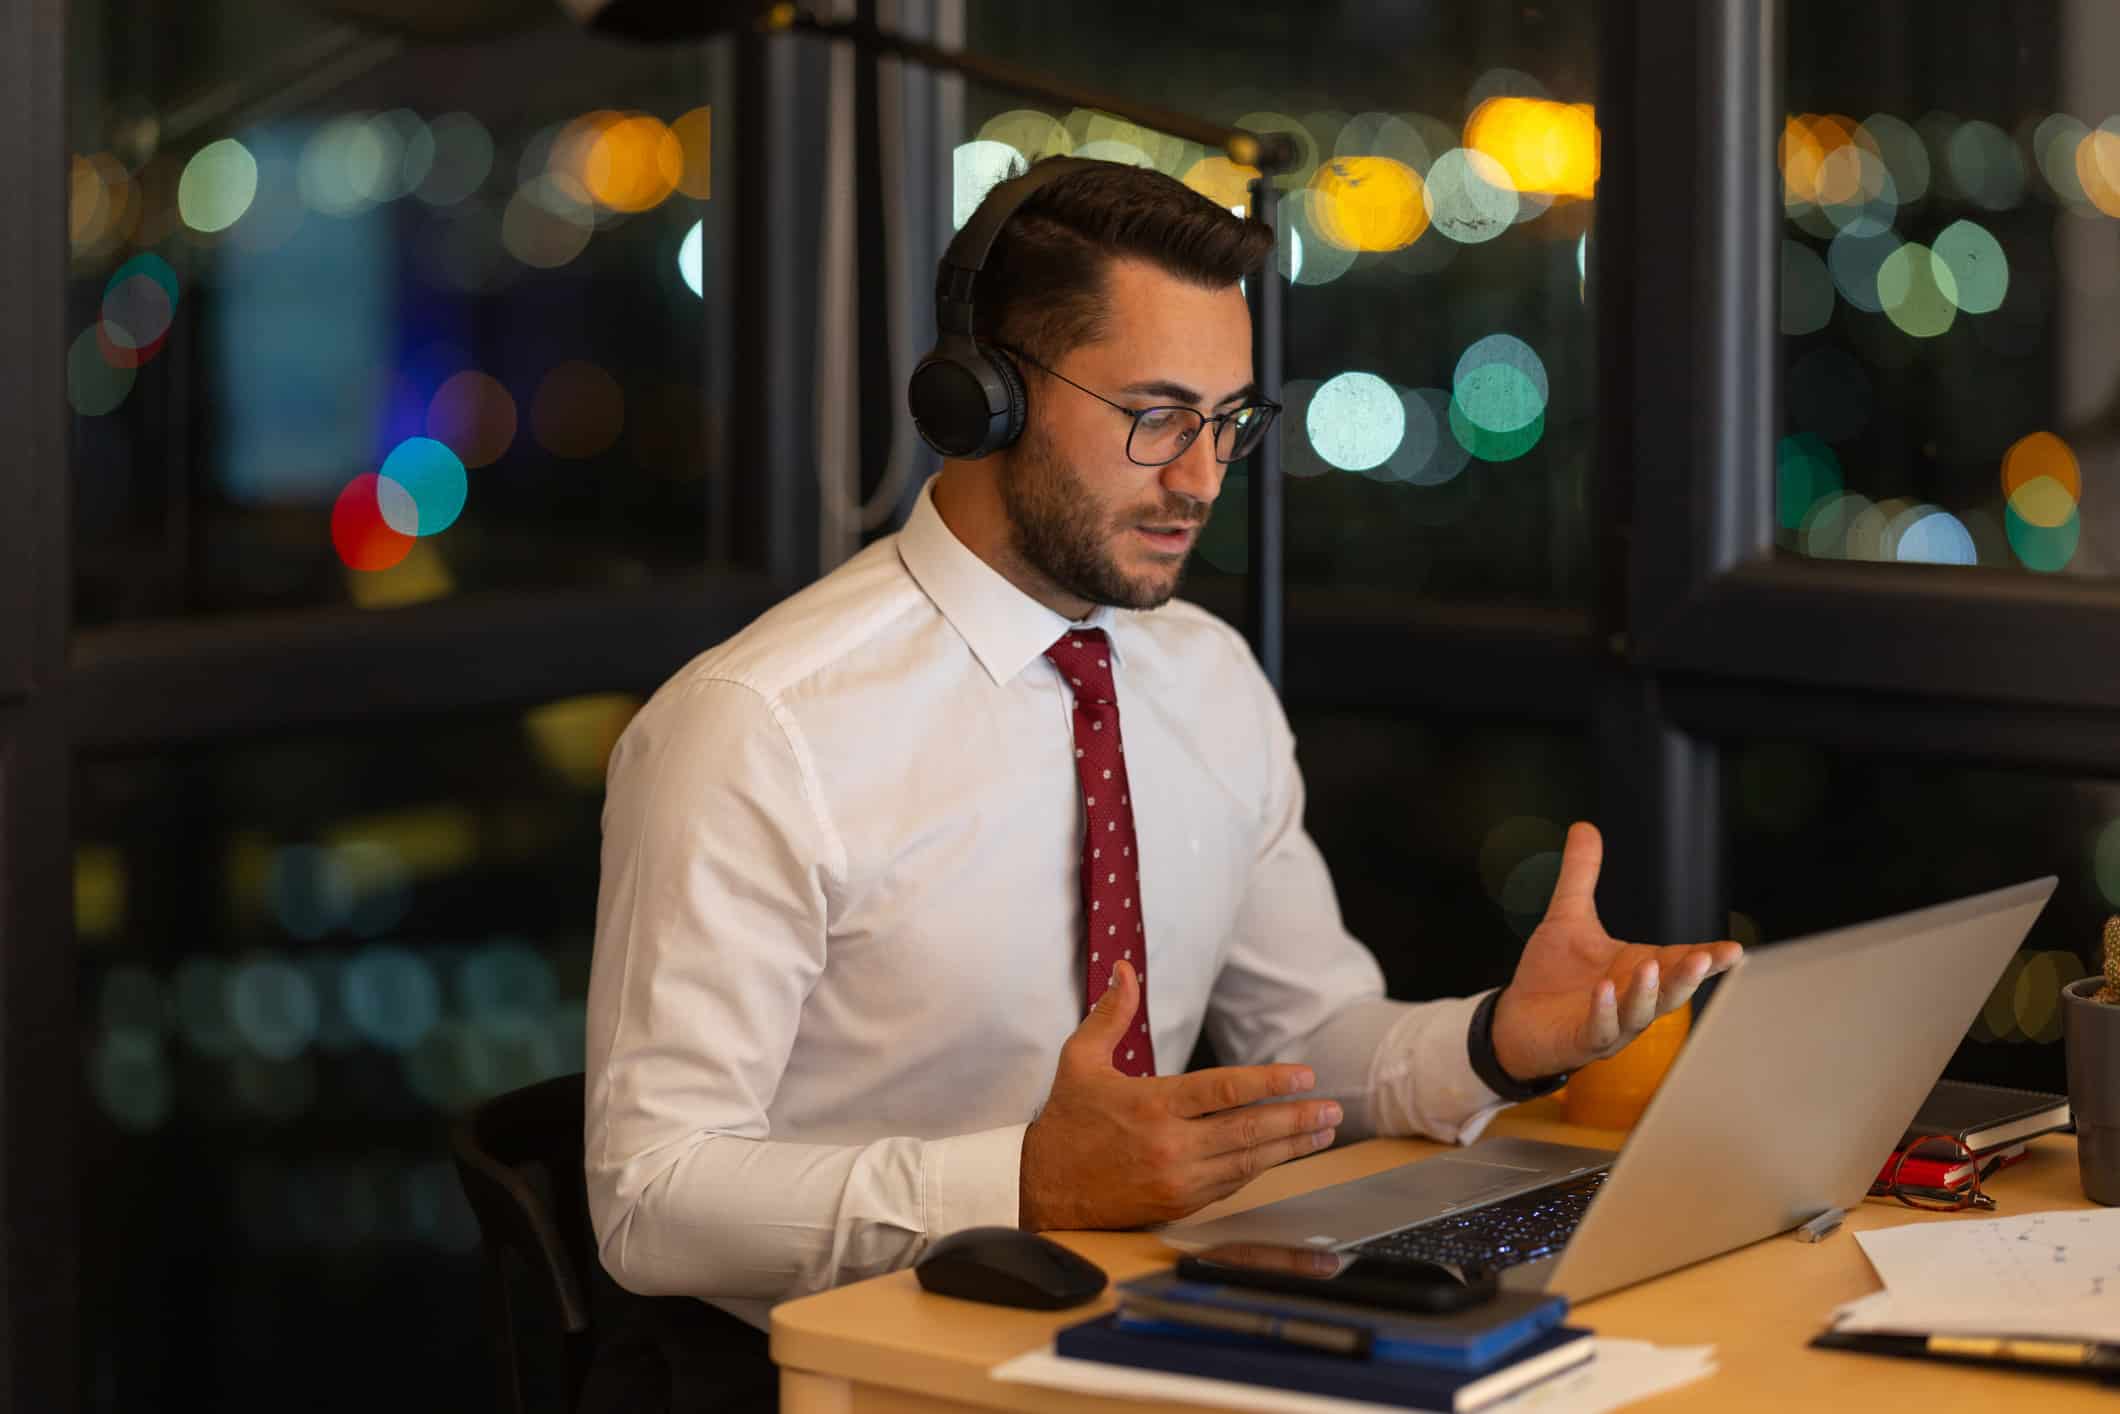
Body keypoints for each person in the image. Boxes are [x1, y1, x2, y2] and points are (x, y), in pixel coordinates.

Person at [579, 156, 1742, 1412]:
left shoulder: (1206, 676)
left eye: (1227, 420)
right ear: (985, 400)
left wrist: (1497, 1040)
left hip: (1155, 1329)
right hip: (847, 1375)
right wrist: (1023, 1181)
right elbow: (649, 1198)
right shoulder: (759, 727)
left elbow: (1304, 1043)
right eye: (1154, 415)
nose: (1199, 478)